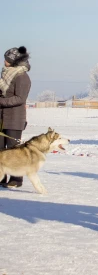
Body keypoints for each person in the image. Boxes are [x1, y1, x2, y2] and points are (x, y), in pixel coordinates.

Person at [0, 46, 32, 189]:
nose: (4, 61)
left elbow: (20, 98)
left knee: (14, 151)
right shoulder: (6, 75)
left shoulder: (22, 77)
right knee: (1, 150)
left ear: (14, 61)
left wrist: (1, 101)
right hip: (1, 117)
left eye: (7, 59)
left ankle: (16, 179)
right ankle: (1, 177)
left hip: (14, 119)